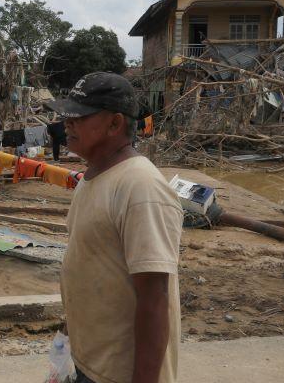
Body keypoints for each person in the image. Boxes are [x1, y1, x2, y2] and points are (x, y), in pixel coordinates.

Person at [45, 72, 182, 383]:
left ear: (114, 124)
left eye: (78, 117)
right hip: (85, 362)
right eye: (67, 116)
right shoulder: (93, 178)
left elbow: (154, 296)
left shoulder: (141, 187)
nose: (67, 124)